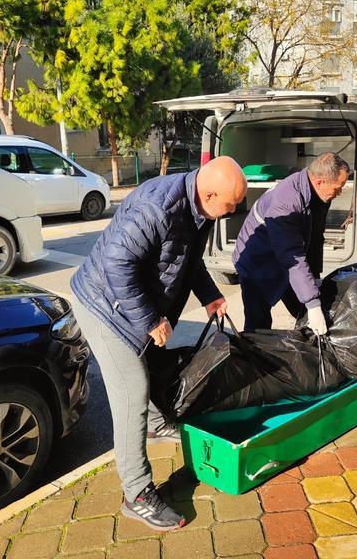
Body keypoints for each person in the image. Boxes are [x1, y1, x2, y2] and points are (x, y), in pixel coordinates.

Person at [70, 156, 247, 531]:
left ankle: (153, 425)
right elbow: (119, 265)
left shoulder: (199, 208)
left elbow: (186, 260)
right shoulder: (158, 207)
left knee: (152, 366)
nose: (232, 213)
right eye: (230, 205)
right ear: (210, 192)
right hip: (103, 305)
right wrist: (150, 319)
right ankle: (136, 493)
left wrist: (210, 295)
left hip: (131, 303)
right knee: (132, 389)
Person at [233, 152, 350, 334]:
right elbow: (291, 255)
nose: (340, 192)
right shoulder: (286, 202)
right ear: (320, 181)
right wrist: (312, 304)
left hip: (287, 259)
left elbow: (316, 236)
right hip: (258, 262)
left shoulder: (320, 195)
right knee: (258, 324)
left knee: (305, 310)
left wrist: (315, 276)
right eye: (339, 187)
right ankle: (256, 358)